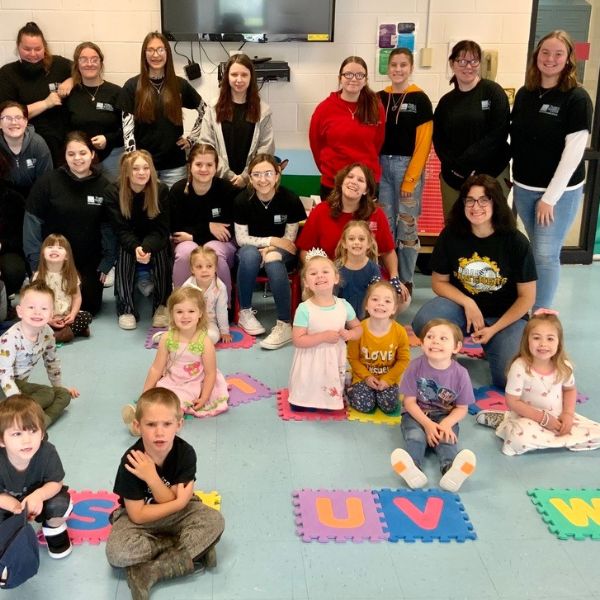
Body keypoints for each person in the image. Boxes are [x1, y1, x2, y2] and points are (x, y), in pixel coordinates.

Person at [412, 174, 537, 388]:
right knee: (424, 321)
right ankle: (449, 353)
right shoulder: (451, 235)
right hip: (462, 308)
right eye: (469, 200)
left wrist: (495, 328)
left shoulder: (516, 241)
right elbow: (438, 282)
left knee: (507, 379)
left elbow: (527, 298)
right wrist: (468, 303)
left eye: (483, 200)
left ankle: (494, 345)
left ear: (495, 203)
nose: (475, 206)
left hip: (504, 316)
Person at [106, 387, 225, 599]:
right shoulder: (131, 460)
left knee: (214, 520)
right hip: (143, 521)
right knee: (116, 553)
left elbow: (173, 501)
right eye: (151, 424)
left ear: (179, 425)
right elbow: (137, 515)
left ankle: (150, 571)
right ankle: (187, 549)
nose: (159, 432)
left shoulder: (185, 453)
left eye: (167, 424)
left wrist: (152, 477)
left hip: (179, 515)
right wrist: (178, 503)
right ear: (137, 425)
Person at [511, 30, 593, 311]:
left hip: (557, 194)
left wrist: (550, 198)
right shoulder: (526, 93)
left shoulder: (576, 98)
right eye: (545, 52)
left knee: (546, 254)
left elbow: (573, 154)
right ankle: (528, 303)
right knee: (535, 250)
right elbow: (518, 138)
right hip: (524, 187)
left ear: (569, 59)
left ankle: (540, 313)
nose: (551, 58)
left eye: (559, 53)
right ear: (537, 57)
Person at [476, 310, 600, 456]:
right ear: (526, 340)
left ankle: (550, 438)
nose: (543, 344)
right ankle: (505, 422)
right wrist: (543, 419)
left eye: (550, 339)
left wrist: (567, 414)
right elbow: (512, 401)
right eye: (536, 338)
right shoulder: (520, 367)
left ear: (559, 342)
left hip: (557, 417)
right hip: (527, 417)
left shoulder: (564, 366)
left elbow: (570, 390)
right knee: (517, 441)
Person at [23, 131, 113, 316]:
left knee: (88, 307)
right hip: (53, 259)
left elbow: (109, 228)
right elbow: (32, 224)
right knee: (46, 308)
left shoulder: (104, 186)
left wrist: (107, 262)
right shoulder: (47, 183)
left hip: (88, 259)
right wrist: (35, 264)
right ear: (64, 156)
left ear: (92, 154)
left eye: (82, 153)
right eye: (71, 154)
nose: (77, 158)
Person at [296, 163, 410, 303]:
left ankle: (374, 323)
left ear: (366, 190)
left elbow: (388, 251)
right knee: (311, 293)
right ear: (342, 182)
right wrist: (320, 270)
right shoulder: (321, 210)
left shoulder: (376, 213)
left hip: (366, 274)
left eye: (360, 180)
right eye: (350, 177)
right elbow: (304, 250)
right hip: (331, 274)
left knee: (402, 299)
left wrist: (394, 277)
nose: (354, 182)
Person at [391, 318, 476, 492]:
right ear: (422, 344)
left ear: (456, 347)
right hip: (416, 414)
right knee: (415, 436)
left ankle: (450, 470)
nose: (435, 341)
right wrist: (428, 425)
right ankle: (413, 467)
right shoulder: (415, 367)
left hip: (445, 415)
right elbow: (409, 402)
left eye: (443, 338)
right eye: (430, 337)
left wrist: (445, 424)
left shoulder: (461, 374)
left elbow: (461, 408)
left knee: (447, 439)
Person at [234, 153, 306, 349]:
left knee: (274, 258)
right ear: (250, 176)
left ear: (277, 175)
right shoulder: (242, 200)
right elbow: (241, 239)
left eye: (268, 173)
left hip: (282, 253)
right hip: (253, 250)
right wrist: (271, 241)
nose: (262, 179)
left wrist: (272, 248)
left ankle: (284, 324)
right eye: (256, 174)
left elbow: (289, 241)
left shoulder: (290, 199)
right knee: (249, 254)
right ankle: (245, 312)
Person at [433, 40, 510, 215]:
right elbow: (439, 139)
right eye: (461, 61)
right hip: (454, 176)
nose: (468, 66)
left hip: (492, 173)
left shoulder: (493, 92)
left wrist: (468, 163)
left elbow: (498, 134)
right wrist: (456, 167)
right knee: (456, 227)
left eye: (473, 61)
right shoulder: (446, 102)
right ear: (452, 64)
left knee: (490, 225)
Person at [378, 48, 433, 291]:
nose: (398, 70)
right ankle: (390, 277)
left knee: (407, 227)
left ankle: (407, 279)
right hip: (382, 166)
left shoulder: (420, 99)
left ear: (411, 68)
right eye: (394, 65)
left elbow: (423, 143)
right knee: (385, 225)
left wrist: (411, 179)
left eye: (403, 65)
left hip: (406, 166)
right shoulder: (379, 97)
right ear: (387, 68)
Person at [119, 31, 205, 188]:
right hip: (143, 166)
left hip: (175, 166)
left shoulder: (180, 85)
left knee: (172, 209)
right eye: (150, 50)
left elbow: (205, 112)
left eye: (160, 49)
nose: (155, 55)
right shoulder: (132, 86)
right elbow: (127, 130)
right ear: (144, 54)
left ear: (167, 52)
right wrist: (134, 160)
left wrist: (191, 139)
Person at [0, 395, 73, 559]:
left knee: (60, 504)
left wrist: (38, 496)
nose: (27, 440)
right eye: (17, 434)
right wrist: (12, 505)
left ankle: (53, 529)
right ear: (1, 440)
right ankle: (9, 536)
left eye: (33, 431)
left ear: (42, 433)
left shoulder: (47, 452)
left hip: (41, 499)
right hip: (7, 504)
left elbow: (56, 482)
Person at [287, 250, 362, 410]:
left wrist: (349, 334)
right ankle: (304, 399)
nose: (320, 276)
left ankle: (332, 399)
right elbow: (298, 340)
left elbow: (358, 328)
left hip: (333, 359)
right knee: (303, 402)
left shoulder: (343, 305)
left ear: (336, 278)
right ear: (306, 282)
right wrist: (322, 336)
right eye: (313, 273)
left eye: (325, 272)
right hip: (310, 361)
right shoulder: (304, 309)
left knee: (329, 396)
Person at [105, 150, 171, 330]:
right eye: (135, 169)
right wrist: (136, 248)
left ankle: (162, 305)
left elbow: (162, 229)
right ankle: (126, 308)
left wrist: (147, 247)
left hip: (154, 238)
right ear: (126, 171)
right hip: (129, 240)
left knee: (161, 252)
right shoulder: (113, 192)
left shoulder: (161, 190)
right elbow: (121, 229)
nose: (142, 173)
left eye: (146, 168)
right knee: (125, 254)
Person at [0, 280, 79, 427]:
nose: (37, 312)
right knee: (47, 394)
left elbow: (52, 363)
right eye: (31, 307)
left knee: (63, 395)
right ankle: (19, 417)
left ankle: (37, 424)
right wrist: (18, 404)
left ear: (51, 314)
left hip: (20, 385)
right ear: (20, 311)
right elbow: (5, 377)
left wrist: (59, 387)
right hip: (4, 386)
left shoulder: (47, 333)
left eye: (44, 308)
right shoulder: (9, 339)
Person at [169, 143, 237, 302]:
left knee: (213, 252)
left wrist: (193, 235)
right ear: (190, 166)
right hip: (187, 242)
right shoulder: (178, 191)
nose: (204, 169)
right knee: (186, 253)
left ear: (216, 167)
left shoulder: (226, 189)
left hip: (221, 243)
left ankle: (225, 305)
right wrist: (208, 227)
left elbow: (229, 230)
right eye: (199, 164)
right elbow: (176, 230)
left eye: (209, 165)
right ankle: (180, 304)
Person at [310, 56, 385, 199]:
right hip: (333, 183)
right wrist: (330, 170)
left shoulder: (376, 107)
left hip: (366, 183)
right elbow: (316, 145)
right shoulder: (324, 109)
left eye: (359, 75)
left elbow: (377, 143)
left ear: (365, 79)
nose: (354, 79)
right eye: (348, 74)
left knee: (363, 223)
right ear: (340, 77)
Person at [0, 22, 72, 166]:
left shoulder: (58, 64)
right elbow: (7, 117)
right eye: (27, 49)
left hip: (60, 139)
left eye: (38, 49)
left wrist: (71, 80)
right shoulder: (7, 73)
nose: (33, 54)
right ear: (18, 47)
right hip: (26, 142)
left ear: (44, 47)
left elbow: (82, 70)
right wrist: (46, 103)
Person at [199, 54, 275, 188]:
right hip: (220, 181)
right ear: (227, 77)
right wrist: (229, 175)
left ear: (251, 77)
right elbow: (206, 145)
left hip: (252, 183)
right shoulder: (213, 108)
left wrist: (245, 177)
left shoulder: (263, 111)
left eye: (244, 75)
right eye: (234, 74)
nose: (239, 80)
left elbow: (265, 149)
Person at [347, 280, 410, 414]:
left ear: (394, 308)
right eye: (375, 299)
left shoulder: (400, 332)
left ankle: (377, 393)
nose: (380, 303)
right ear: (366, 305)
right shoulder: (358, 330)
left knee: (389, 406)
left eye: (387, 301)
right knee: (365, 405)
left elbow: (403, 360)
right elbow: (353, 358)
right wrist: (367, 377)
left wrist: (388, 380)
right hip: (363, 378)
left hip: (388, 380)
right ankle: (349, 388)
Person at [65, 42, 123, 182]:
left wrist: (107, 139)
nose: (89, 63)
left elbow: (128, 129)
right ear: (77, 64)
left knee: (113, 196)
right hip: (80, 159)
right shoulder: (70, 94)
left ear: (101, 63)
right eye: (83, 59)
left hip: (112, 157)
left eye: (94, 59)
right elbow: (64, 129)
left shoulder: (116, 92)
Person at [32, 234, 93, 343]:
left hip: (66, 318)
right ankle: (68, 333)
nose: (54, 249)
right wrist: (48, 320)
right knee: (30, 323)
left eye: (60, 248)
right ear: (43, 253)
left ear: (67, 256)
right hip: (46, 319)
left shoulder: (71, 276)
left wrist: (73, 315)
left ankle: (57, 336)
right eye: (50, 247)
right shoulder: (38, 277)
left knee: (86, 316)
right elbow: (34, 302)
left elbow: (77, 298)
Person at [0, 100, 52, 197]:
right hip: (5, 195)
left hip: (34, 195)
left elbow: (45, 181)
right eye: (7, 118)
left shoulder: (38, 144)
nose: (14, 122)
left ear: (26, 121)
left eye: (18, 117)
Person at [182, 246, 231, 344]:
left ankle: (192, 339)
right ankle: (167, 336)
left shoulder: (220, 287)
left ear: (215, 268)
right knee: (180, 331)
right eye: (199, 267)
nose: (204, 270)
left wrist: (224, 331)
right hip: (189, 320)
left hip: (209, 321)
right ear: (192, 269)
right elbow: (181, 308)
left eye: (209, 266)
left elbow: (221, 310)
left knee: (212, 337)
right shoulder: (187, 286)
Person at [334, 220, 381, 320]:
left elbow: (376, 296)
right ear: (344, 243)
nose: (356, 242)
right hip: (340, 316)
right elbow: (332, 295)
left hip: (365, 317)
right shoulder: (336, 267)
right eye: (351, 239)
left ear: (368, 243)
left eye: (361, 239)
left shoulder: (373, 269)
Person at [0, 148, 27, 304]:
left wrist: (2, 244)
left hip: (5, 252)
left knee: (13, 269)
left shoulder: (13, 198)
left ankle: (6, 292)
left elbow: (20, 239)